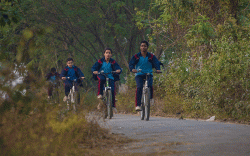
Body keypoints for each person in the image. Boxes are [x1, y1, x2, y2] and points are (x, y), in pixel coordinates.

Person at [129, 40, 161, 111]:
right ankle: (138, 105)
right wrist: (132, 69)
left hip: (149, 73)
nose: (143, 47)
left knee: (150, 85)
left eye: (145, 46)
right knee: (139, 87)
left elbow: (156, 63)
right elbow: (131, 63)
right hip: (139, 74)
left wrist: (158, 69)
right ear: (140, 47)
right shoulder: (136, 56)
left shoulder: (151, 56)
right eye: (142, 46)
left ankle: (151, 98)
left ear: (147, 47)